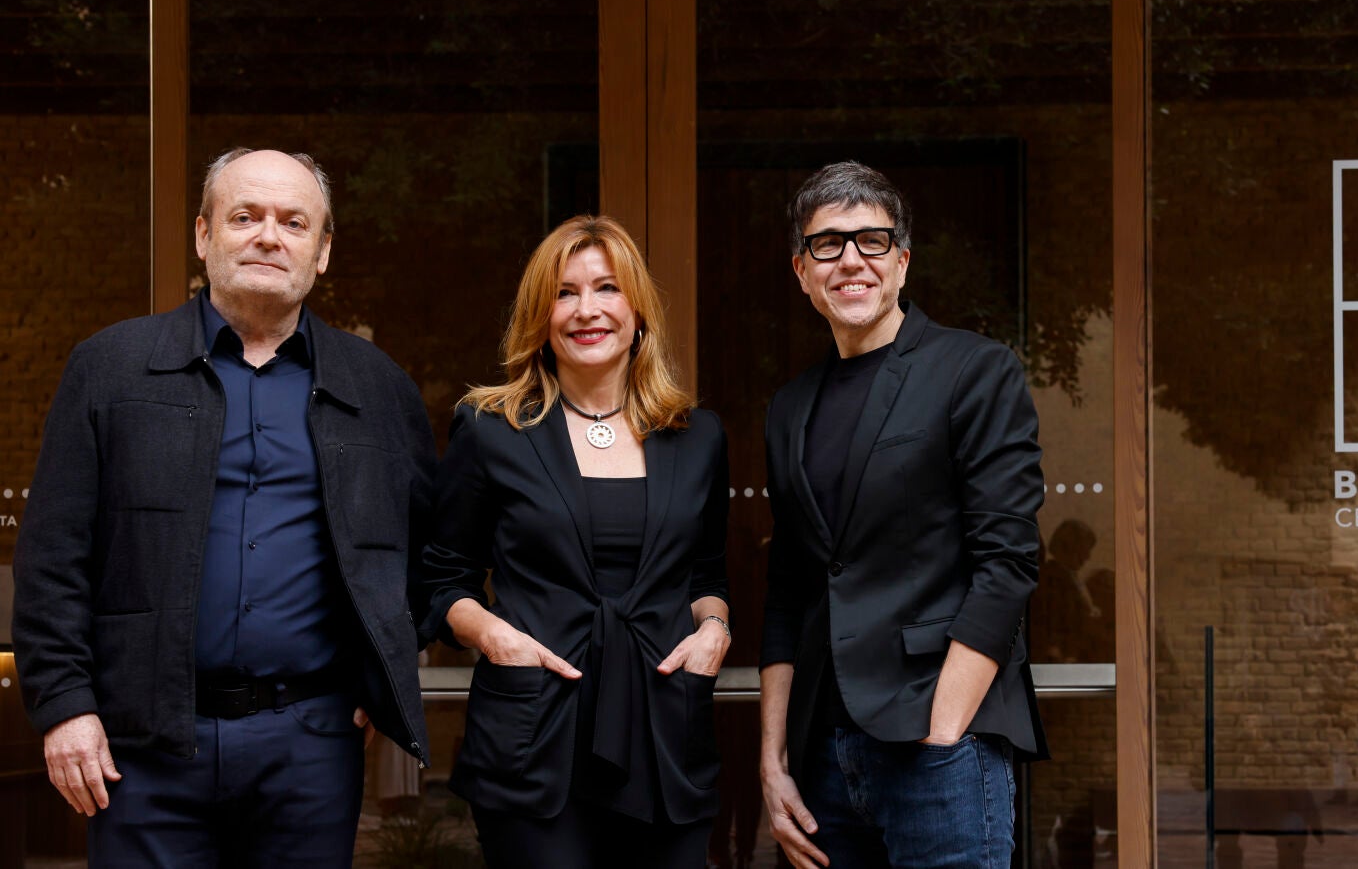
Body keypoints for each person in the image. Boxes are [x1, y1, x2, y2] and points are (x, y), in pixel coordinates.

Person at [11, 147, 436, 866]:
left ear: (322, 252)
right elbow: (52, 560)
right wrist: (65, 707)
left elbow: (428, 551)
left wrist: (380, 667)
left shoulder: (379, 389)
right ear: (204, 235)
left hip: (310, 745)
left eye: (294, 222)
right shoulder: (110, 369)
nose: (269, 236)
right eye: (245, 217)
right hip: (140, 748)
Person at [759, 161, 1048, 869]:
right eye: (827, 244)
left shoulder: (973, 370)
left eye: (873, 240)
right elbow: (789, 592)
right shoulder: (790, 408)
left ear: (902, 261)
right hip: (824, 757)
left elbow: (1008, 563)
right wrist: (774, 760)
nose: (851, 260)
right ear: (802, 271)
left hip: (939, 748)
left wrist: (944, 728)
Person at [417, 215, 730, 868]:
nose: (587, 309)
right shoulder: (491, 428)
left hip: (664, 736)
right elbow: (441, 579)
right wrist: (494, 636)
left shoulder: (697, 436)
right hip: (533, 736)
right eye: (565, 293)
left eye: (607, 288)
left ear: (637, 311)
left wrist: (714, 630)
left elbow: (706, 576)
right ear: (541, 316)